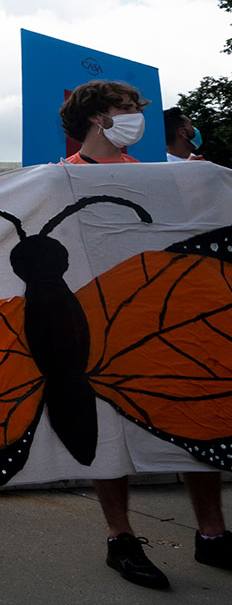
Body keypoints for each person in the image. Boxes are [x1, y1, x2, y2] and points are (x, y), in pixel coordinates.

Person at [58, 80, 229, 588]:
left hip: (160, 317)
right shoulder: (61, 179)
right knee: (107, 430)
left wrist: (204, 187)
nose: (136, 117)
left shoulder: (160, 177)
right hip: (98, 324)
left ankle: (213, 533)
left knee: (194, 415)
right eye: (126, 108)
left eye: (136, 108)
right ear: (96, 117)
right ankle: (120, 538)